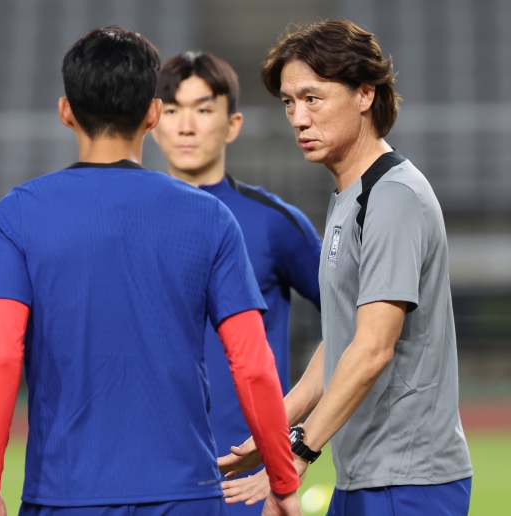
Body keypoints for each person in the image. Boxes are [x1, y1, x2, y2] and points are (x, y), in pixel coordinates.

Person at [0, 26, 302, 516]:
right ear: (152, 114)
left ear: (66, 111)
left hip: (64, 495)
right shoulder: (210, 217)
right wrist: (283, 482)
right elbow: (252, 363)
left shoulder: (16, 215)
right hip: (185, 493)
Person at [219, 20, 473, 516]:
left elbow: (374, 347)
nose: (297, 117)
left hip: (408, 483)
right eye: (289, 102)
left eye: (313, 98)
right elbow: (344, 339)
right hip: (367, 478)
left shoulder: (392, 195)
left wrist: (298, 450)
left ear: (364, 94)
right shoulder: (349, 194)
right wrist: (274, 430)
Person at [151, 51, 321, 515]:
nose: (186, 125)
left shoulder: (274, 224)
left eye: (204, 109)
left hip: (248, 488)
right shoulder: (128, 222)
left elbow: (359, 319)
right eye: (171, 109)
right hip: (150, 480)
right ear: (152, 120)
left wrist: (300, 423)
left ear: (233, 124)